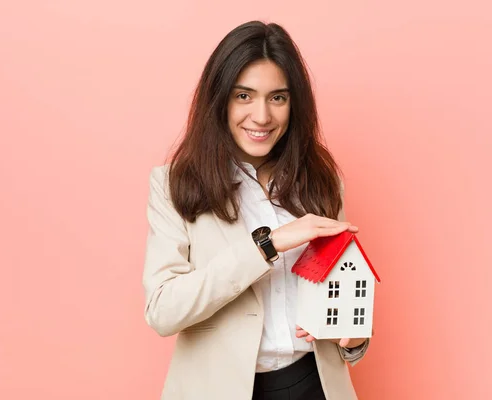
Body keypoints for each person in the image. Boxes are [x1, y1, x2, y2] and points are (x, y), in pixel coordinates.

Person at [142, 20, 371, 400]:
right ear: (219, 100)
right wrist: (267, 245)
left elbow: (343, 296)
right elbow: (163, 311)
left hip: (315, 385)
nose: (262, 116)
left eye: (277, 97)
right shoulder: (174, 185)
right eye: (244, 96)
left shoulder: (322, 181)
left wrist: (355, 338)